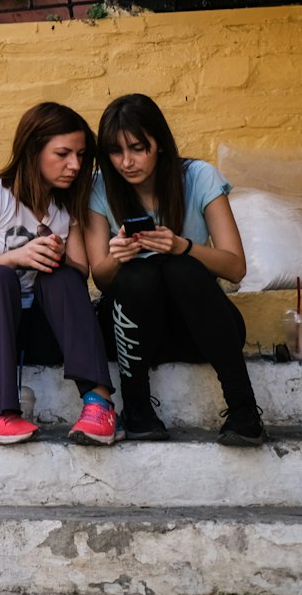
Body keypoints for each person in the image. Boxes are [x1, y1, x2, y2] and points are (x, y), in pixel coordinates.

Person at [85, 94, 262, 446]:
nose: (126, 162)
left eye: (138, 148)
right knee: (139, 274)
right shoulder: (100, 187)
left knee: (182, 268)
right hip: (133, 332)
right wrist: (118, 256)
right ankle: (136, 407)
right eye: (115, 152)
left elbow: (236, 267)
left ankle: (244, 409)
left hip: (195, 328)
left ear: (160, 144)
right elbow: (101, 279)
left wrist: (183, 246)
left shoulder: (199, 177)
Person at [0, 101, 119, 447]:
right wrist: (17, 257)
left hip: (40, 329)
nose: (74, 165)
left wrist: (56, 256)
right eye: (63, 154)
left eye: (81, 155)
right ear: (33, 149)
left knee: (62, 276)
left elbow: (80, 274)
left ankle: (99, 404)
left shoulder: (67, 205)